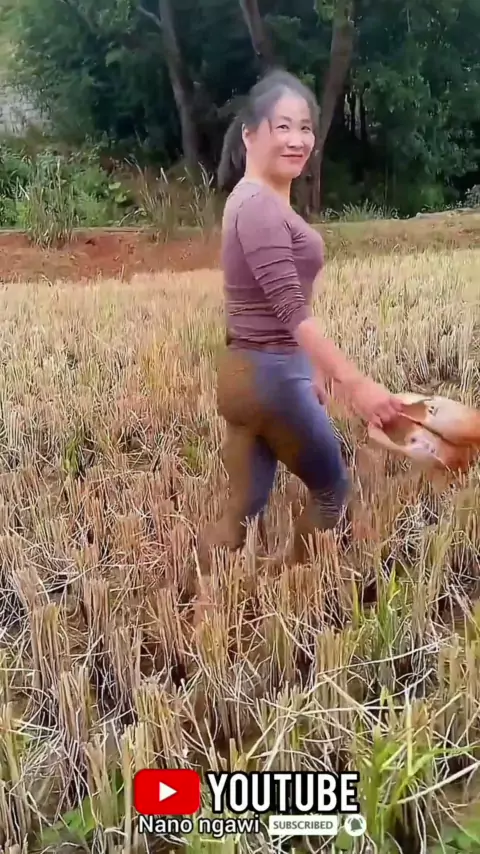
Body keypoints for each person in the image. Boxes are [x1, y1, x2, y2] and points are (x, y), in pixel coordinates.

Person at [198, 68, 404, 570]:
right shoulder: (258, 206)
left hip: (246, 371)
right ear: (250, 134)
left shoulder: (255, 199)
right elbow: (292, 311)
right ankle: (289, 584)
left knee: (244, 508)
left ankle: (197, 594)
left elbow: (272, 305)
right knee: (332, 491)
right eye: (283, 126)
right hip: (269, 376)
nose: (297, 139)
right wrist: (356, 385)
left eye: (306, 127)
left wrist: (309, 368)